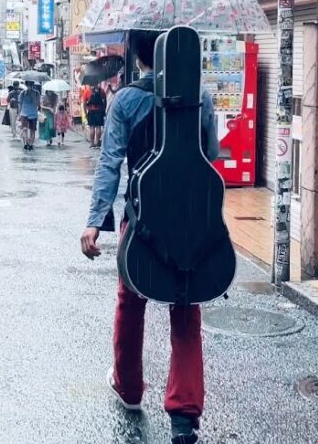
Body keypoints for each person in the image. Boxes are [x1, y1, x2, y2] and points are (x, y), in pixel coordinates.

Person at [80, 31, 218, 444]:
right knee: (186, 305)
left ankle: (129, 386)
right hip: (190, 219)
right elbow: (211, 155)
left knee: (131, 299)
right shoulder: (200, 97)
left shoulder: (125, 100)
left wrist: (95, 220)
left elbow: (110, 163)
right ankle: (184, 414)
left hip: (142, 218)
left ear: (137, 54)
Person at [18, 80, 41, 151]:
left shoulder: (23, 93)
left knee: (25, 129)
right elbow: (37, 104)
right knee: (31, 130)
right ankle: (30, 144)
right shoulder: (36, 93)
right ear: (33, 85)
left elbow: (20, 104)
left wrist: (19, 114)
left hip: (25, 114)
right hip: (32, 114)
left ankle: (26, 143)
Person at [85, 83, 107, 148]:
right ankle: (97, 142)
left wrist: (85, 112)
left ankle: (92, 143)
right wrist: (103, 109)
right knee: (98, 127)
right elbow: (104, 101)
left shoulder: (87, 91)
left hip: (91, 111)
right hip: (99, 111)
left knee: (92, 127)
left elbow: (84, 103)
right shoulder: (102, 91)